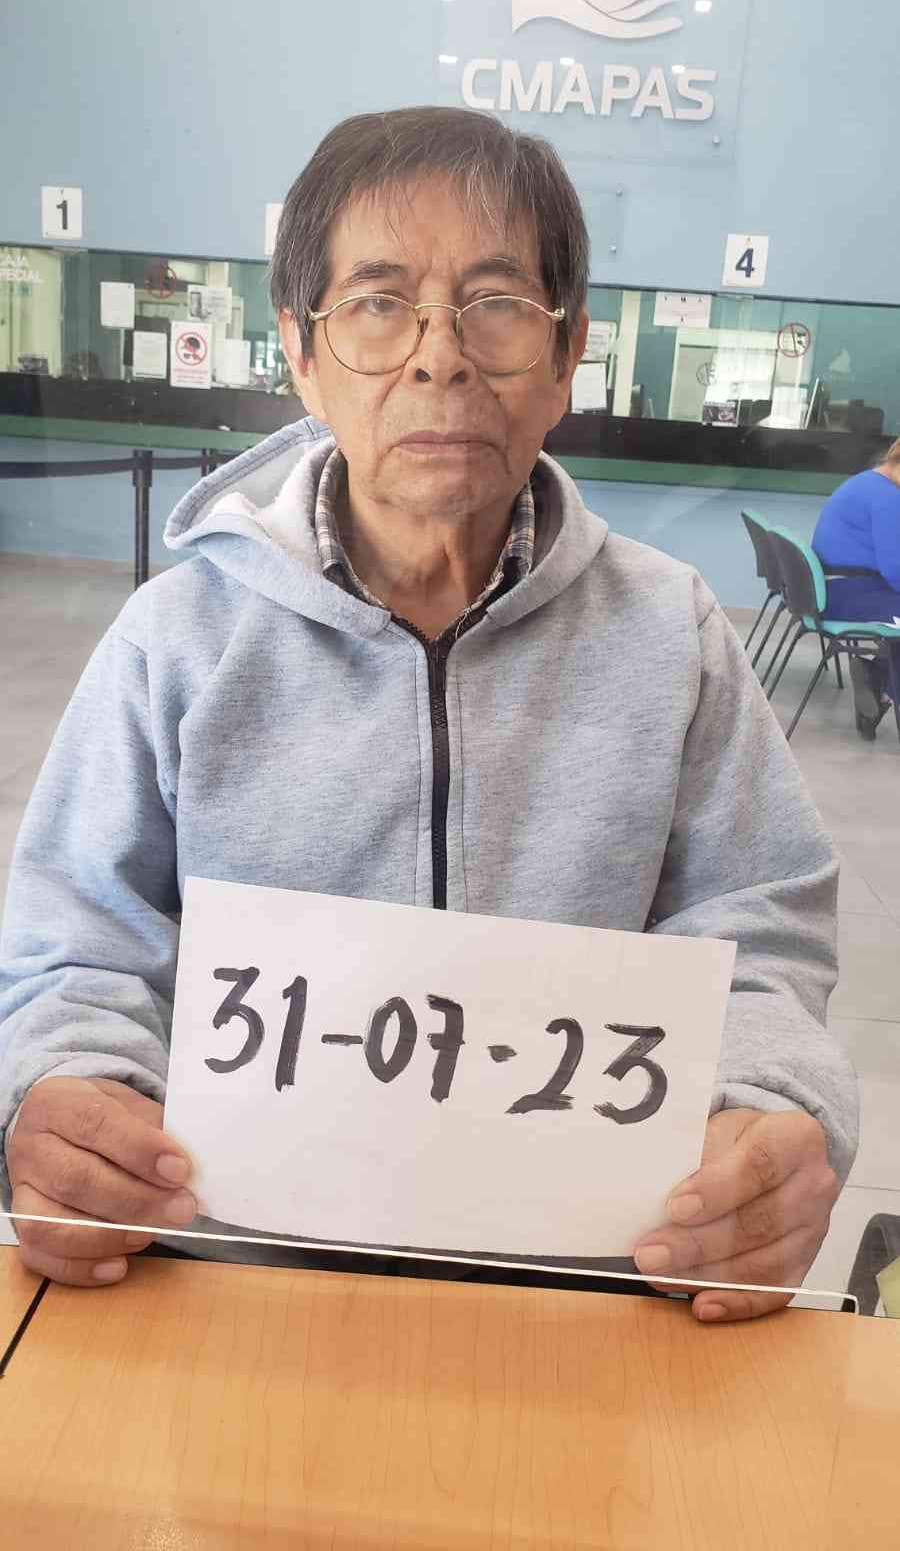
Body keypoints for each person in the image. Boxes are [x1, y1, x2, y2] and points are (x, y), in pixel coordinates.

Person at [0, 107, 856, 1323]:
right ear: (300, 351)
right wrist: (63, 1086)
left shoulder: (674, 638)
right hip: (228, 1293)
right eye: (378, 303)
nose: (438, 357)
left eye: (496, 303)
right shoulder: (175, 641)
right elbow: (78, 939)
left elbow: (761, 925)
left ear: (566, 354)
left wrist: (773, 1104)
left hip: (585, 1303)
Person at [812, 441, 900, 739]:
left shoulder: (869, 482)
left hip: (833, 588)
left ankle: (877, 679)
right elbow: (896, 570)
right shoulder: (889, 498)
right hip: (849, 595)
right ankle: (881, 684)